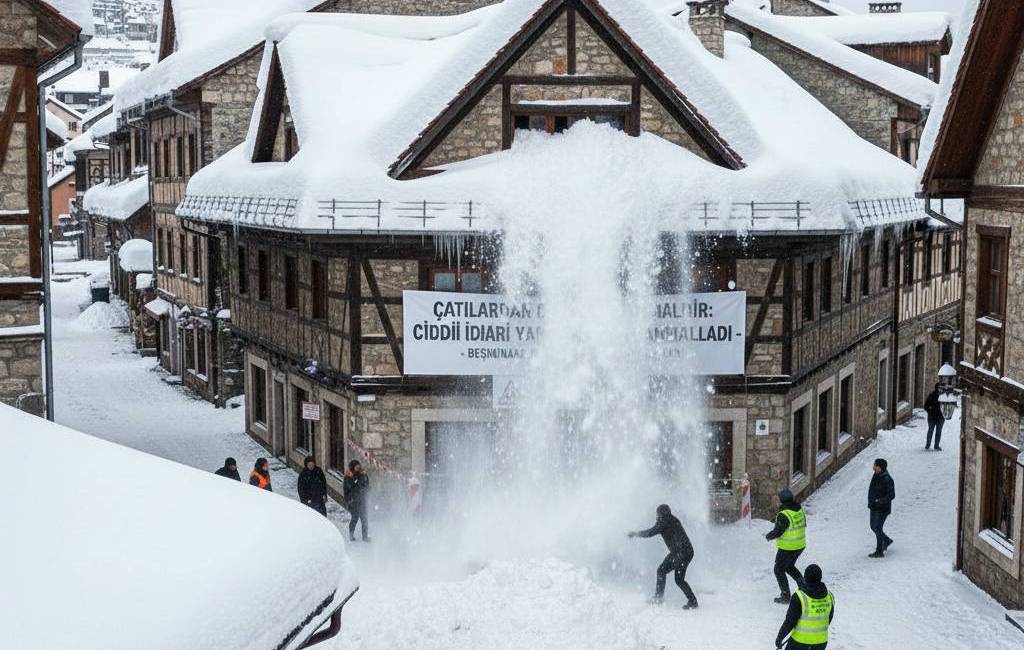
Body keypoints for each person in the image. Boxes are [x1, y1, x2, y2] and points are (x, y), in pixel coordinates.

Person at [627, 504, 698, 609]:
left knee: (663, 572)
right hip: (686, 552)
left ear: (661, 514)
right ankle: (691, 600)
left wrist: (636, 534)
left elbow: (650, 532)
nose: (657, 516)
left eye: (657, 514)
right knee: (675, 577)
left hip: (680, 553)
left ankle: (660, 598)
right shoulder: (673, 519)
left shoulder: (663, 522)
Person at [775, 564, 835, 650]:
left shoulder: (799, 597)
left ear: (805, 577)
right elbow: (828, 618)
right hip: (821, 642)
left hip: (799, 642)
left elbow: (790, 621)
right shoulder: (829, 596)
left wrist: (780, 638)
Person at [766, 489, 806, 604]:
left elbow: (778, 531)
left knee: (778, 570)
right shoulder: (798, 509)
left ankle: (785, 595)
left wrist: (769, 536)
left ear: (781, 500)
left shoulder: (784, 514)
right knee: (789, 567)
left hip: (789, 547)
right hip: (800, 545)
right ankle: (803, 587)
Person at [868, 458, 895, 558]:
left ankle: (879, 551)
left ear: (880, 467)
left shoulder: (887, 479)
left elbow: (891, 495)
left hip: (882, 509)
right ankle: (887, 540)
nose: (873, 467)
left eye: (875, 465)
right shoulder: (876, 475)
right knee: (873, 526)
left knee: (878, 528)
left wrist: (880, 501)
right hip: (873, 507)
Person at [344, 460, 370, 542]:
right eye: (356, 466)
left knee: (364, 519)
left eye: (358, 466)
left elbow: (367, 485)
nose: (358, 468)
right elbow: (347, 488)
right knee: (354, 518)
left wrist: (365, 490)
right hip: (353, 501)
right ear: (352, 467)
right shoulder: (349, 476)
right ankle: (351, 535)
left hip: (362, 500)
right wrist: (348, 500)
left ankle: (365, 536)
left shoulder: (363, 475)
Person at [924, 383, 945, 451]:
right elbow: (926, 406)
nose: (941, 389)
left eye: (942, 388)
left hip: (940, 417)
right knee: (931, 430)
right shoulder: (932, 395)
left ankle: (936, 445)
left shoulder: (944, 396)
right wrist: (930, 411)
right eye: (940, 388)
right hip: (932, 417)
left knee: (938, 431)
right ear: (937, 388)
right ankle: (928, 444)